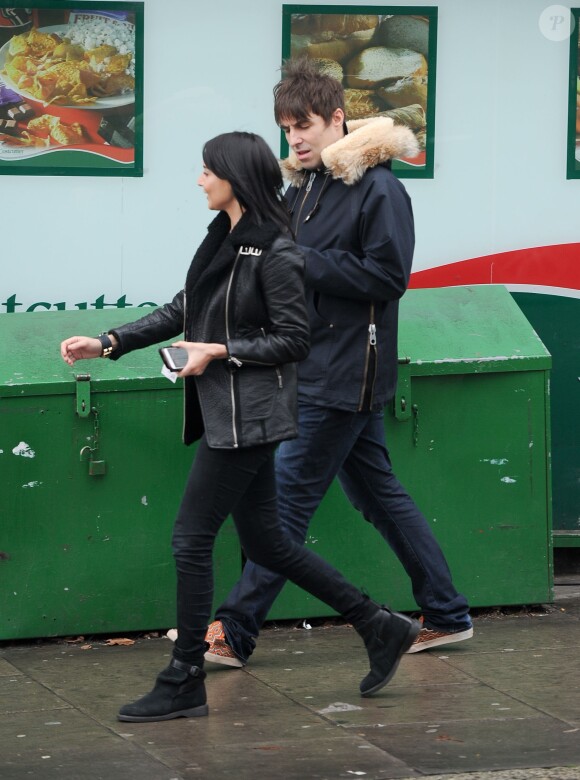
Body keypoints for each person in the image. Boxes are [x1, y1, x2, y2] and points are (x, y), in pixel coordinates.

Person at [60, 131, 421, 723]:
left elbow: (293, 339)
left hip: (250, 417)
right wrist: (111, 341)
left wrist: (218, 351)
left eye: (207, 170)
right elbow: (187, 306)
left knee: (190, 539)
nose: (199, 180)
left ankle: (183, 676)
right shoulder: (224, 237)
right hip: (228, 412)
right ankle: (379, 625)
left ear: (233, 177)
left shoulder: (276, 249)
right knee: (270, 544)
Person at [202, 59, 473, 669]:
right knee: (379, 495)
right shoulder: (306, 186)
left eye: (305, 125)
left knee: (286, 502)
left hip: (346, 372)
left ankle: (234, 630)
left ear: (337, 120)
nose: (295, 138)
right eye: (286, 128)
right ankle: (448, 613)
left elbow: (388, 277)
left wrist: (299, 261)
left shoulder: (380, 187)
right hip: (314, 365)